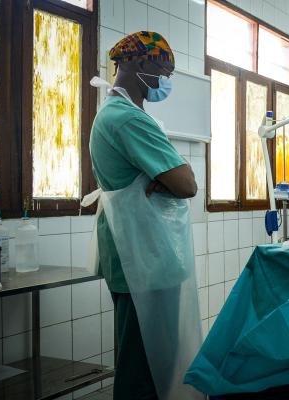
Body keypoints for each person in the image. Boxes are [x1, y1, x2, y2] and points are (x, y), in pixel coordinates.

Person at [89, 32, 200, 399]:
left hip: (142, 255)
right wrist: (172, 172)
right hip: (142, 258)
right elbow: (186, 184)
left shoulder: (124, 114)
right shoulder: (125, 119)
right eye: (163, 70)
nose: (165, 81)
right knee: (144, 367)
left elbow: (175, 179)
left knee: (152, 361)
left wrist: (165, 175)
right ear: (138, 62)